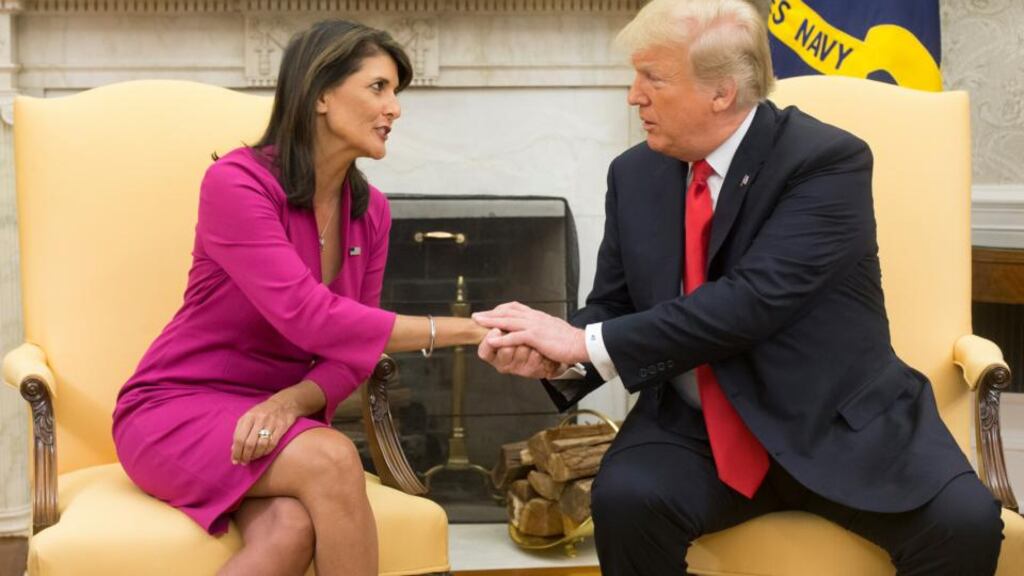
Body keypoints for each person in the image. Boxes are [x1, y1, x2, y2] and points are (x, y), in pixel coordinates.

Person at [473, 1, 1004, 574]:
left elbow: (753, 302)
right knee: (627, 500)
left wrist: (581, 343)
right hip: (695, 432)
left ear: (722, 92)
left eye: (652, 77)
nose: (633, 95)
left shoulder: (825, 160)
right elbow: (614, 305)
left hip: (836, 424)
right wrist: (561, 358)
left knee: (965, 524)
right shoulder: (636, 173)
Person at [112, 20, 488, 576]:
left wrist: (292, 400)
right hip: (175, 408)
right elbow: (311, 318)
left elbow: (351, 353)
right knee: (335, 456)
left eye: (396, 92)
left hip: (275, 422)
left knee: (289, 533)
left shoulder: (371, 211)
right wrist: (467, 330)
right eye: (378, 88)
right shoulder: (236, 183)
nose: (396, 108)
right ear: (319, 94)